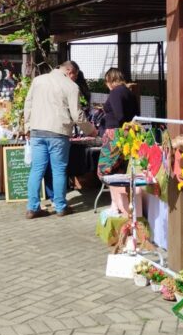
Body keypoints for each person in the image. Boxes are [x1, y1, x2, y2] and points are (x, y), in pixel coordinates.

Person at [23, 61, 89, 219]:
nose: (74, 78)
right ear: (69, 71)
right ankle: (60, 206)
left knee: (36, 169)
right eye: (75, 75)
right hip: (58, 132)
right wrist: (90, 130)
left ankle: (32, 208)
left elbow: (28, 104)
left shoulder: (38, 80)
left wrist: (27, 126)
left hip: (37, 130)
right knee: (58, 170)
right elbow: (77, 114)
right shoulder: (71, 86)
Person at [100, 67, 140, 216]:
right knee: (122, 170)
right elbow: (136, 115)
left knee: (108, 170)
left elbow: (119, 114)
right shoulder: (129, 92)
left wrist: (117, 131)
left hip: (115, 134)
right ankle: (119, 204)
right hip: (129, 134)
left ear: (110, 79)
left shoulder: (116, 92)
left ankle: (118, 205)